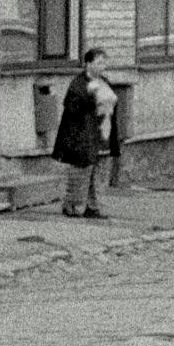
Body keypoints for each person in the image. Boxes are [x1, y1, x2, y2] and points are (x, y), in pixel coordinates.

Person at [53, 48, 118, 219]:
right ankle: (72, 206)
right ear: (88, 64)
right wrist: (90, 96)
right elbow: (72, 107)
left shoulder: (104, 81)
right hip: (81, 135)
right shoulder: (78, 83)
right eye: (99, 63)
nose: (103, 66)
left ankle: (92, 206)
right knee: (81, 171)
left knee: (98, 172)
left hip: (101, 132)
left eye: (104, 63)